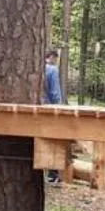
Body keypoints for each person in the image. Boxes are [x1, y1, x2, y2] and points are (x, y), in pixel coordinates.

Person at [42, 49, 63, 184]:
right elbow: (55, 92)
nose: (55, 61)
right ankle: (53, 173)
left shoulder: (38, 68)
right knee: (53, 140)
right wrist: (59, 106)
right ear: (50, 57)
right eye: (55, 58)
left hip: (37, 108)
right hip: (50, 109)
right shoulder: (53, 70)